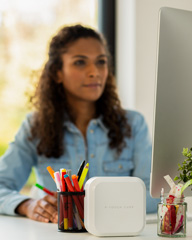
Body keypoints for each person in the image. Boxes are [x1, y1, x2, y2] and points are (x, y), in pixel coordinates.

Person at [0, 24, 158, 223]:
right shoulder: (35, 126)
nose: (95, 72)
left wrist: (89, 205)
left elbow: (154, 195)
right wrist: (28, 205)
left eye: (101, 62)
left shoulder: (133, 124)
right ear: (57, 72)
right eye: (80, 62)